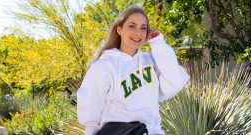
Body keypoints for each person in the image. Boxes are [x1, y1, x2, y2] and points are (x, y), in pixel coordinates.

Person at [77, 5, 189, 135]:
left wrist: (158, 43)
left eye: (143, 28)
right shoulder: (104, 65)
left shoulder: (151, 61)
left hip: (152, 132)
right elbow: (91, 110)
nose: (138, 33)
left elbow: (174, 82)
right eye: (132, 26)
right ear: (119, 29)